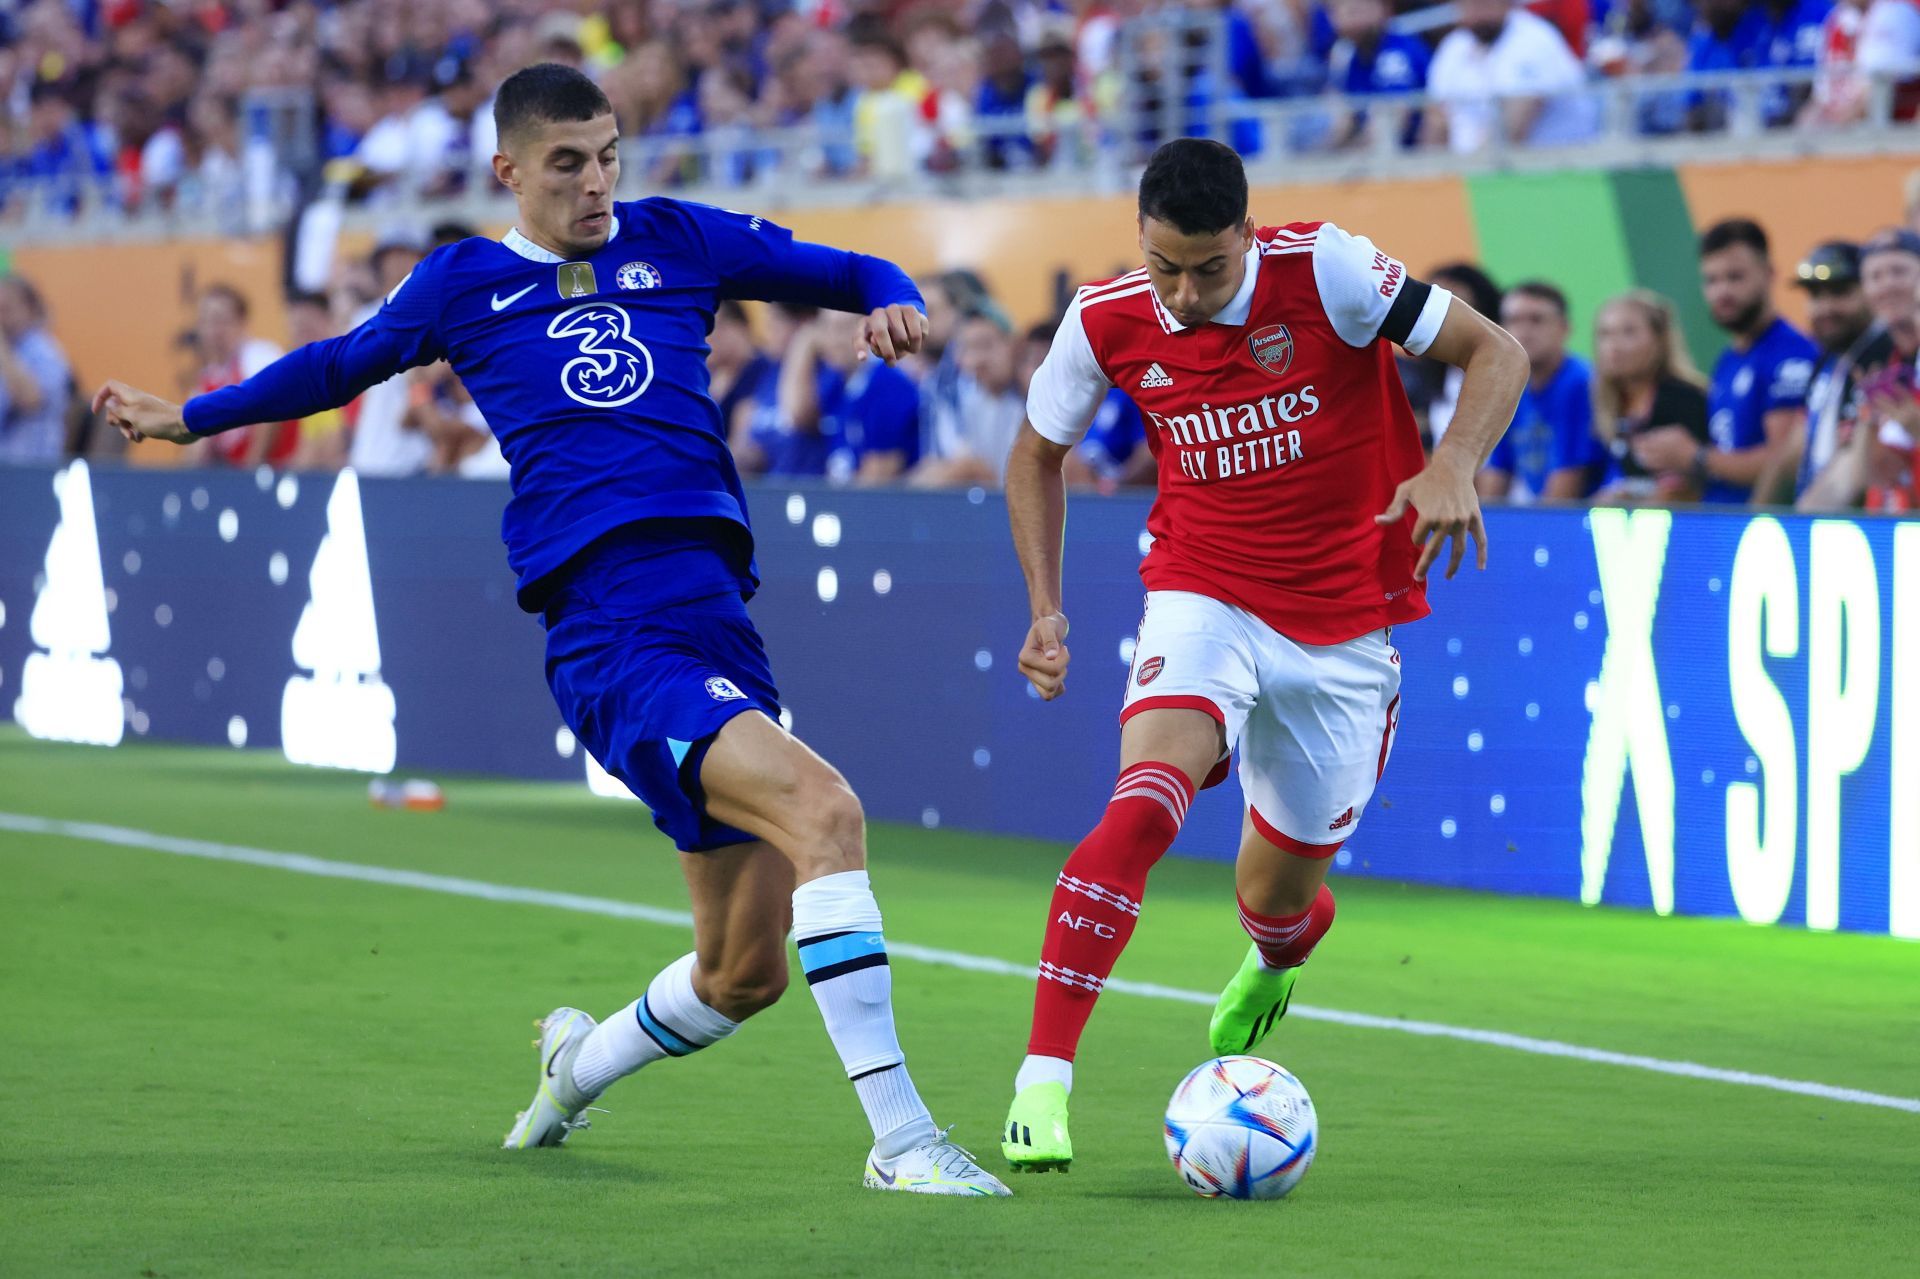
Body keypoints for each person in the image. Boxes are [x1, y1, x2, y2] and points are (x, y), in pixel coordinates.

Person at [92, 62, 1008, 1198]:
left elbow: (850, 265)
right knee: (827, 811)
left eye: (609, 154)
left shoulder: (679, 238)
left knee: (741, 974)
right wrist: (192, 416)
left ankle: (575, 1067)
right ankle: (903, 1140)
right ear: (508, 170)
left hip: (718, 620)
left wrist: (888, 292)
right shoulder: (461, 282)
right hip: (614, 629)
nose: (596, 182)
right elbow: (335, 367)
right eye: (568, 162)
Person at [998, 138, 1526, 1172]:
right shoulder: (1105, 319)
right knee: (1143, 804)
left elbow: (1495, 351)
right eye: (1165, 269)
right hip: (1203, 589)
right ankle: (1041, 1084)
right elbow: (1035, 454)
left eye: (1210, 268)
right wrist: (1045, 607)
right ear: (1138, 243)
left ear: (1248, 233)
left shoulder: (1328, 269)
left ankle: (1279, 954)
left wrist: (1454, 463)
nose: (1186, 294)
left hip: (1345, 626)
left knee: (1276, 901)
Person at [1633, 219, 1815, 504]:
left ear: (1769, 274)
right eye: (1712, 280)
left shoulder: (1790, 355)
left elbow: (1784, 463)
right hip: (1721, 528)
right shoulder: (1728, 360)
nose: (1722, 292)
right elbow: (1725, 457)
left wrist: (1693, 456)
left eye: (1735, 277)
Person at [1800, 229, 1920, 511]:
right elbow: (1863, 472)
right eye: (1875, 276)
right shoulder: (1880, 362)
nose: (1887, 284)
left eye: (1899, 271)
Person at [1763, 241, 1889, 505]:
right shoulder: (1827, 363)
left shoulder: (1883, 357)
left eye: (1840, 291)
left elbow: (1854, 470)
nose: (1825, 308)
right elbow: (1792, 455)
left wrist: (1804, 522)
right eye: (1815, 295)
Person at [1425, 0, 1599, 154]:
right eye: (1468, 4)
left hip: (1557, 169)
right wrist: (1429, 175)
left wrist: (1465, 172)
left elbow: (1511, 129)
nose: (1476, 12)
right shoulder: (1454, 46)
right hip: (1477, 173)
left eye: (1484, 4)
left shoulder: (1534, 39)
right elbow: (1436, 120)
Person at [1589, 290, 1713, 504]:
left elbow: (1690, 488)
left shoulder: (1686, 398)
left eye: (1628, 332)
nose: (1614, 346)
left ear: (1660, 339)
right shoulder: (1605, 402)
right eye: (1605, 334)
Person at [1481, 280, 1600, 502]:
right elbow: (1498, 472)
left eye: (1537, 320)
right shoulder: (1508, 385)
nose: (1523, 331)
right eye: (1513, 320)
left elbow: (1566, 489)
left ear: (1564, 328)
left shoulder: (1580, 383)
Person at [186, 284, 297, 469]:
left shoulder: (260, 355)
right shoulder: (206, 381)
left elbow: (267, 416)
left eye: (221, 320)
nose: (215, 331)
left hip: (280, 473)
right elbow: (199, 445)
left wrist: (247, 476)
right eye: (206, 321)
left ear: (242, 322)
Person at [914, 304, 1027, 487]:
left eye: (986, 345)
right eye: (969, 349)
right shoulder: (964, 403)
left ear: (1013, 345)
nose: (978, 360)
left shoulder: (1032, 399)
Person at [0, 274, 74, 465]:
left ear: (30, 310)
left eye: (6, 309)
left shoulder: (44, 351)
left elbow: (30, 400)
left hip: (31, 469)